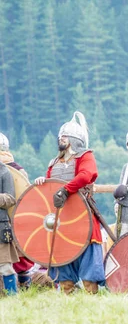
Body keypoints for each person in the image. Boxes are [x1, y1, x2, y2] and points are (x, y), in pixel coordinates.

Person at [34, 112, 105, 294]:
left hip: (83, 220)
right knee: (65, 280)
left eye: (65, 136)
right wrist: (44, 182)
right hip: (61, 223)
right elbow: (50, 191)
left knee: (89, 278)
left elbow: (86, 175)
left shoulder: (85, 156)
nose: (61, 139)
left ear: (75, 139)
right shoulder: (54, 162)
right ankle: (70, 310)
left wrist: (65, 190)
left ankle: (93, 309)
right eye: (60, 136)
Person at [0, 131, 35, 282]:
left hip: (5, 223)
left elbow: (17, 198)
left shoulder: (7, 171)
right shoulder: (18, 169)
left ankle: (17, 295)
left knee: (9, 264)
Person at [0, 161, 18, 294]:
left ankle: (12, 297)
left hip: (0, 225)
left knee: (5, 266)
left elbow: (11, 198)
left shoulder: (3, 171)